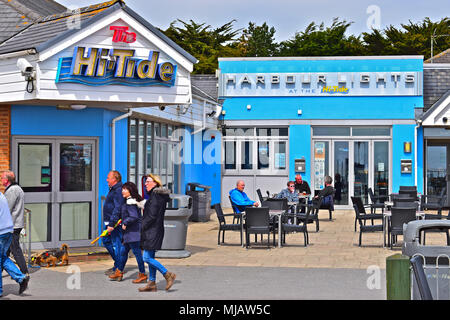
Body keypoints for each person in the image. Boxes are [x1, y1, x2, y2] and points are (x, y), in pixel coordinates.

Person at [139, 174, 176, 292]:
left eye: (148, 181)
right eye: (146, 182)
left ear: (155, 183)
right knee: (150, 256)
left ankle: (167, 274)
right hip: (155, 230)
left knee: (146, 257)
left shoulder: (155, 196)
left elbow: (151, 215)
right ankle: (151, 283)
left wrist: (142, 226)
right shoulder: (157, 195)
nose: (145, 184)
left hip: (152, 230)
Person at [109, 182, 147, 283]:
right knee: (123, 252)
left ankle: (142, 274)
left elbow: (134, 216)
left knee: (137, 254)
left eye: (125, 189)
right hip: (130, 233)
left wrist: (125, 222)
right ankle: (119, 272)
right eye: (122, 189)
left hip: (133, 233)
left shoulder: (130, 202)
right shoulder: (129, 201)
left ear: (130, 191)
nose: (122, 191)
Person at [0, 192, 29, 297]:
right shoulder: (1, 195)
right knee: (2, 258)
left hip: (1, 232)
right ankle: (21, 279)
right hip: (8, 231)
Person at [1, 171, 28, 275]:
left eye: (2, 178)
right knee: (5, 251)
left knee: (15, 249)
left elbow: (6, 208)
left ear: (7, 180)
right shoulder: (15, 189)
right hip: (14, 224)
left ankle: (23, 273)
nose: (1, 180)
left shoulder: (13, 190)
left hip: (13, 225)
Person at [102, 170, 125, 276]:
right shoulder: (113, 189)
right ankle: (118, 263)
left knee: (117, 244)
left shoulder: (118, 190)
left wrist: (112, 224)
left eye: (108, 178)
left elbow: (117, 208)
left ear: (114, 179)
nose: (106, 180)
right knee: (106, 240)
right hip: (109, 222)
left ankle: (118, 267)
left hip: (115, 223)